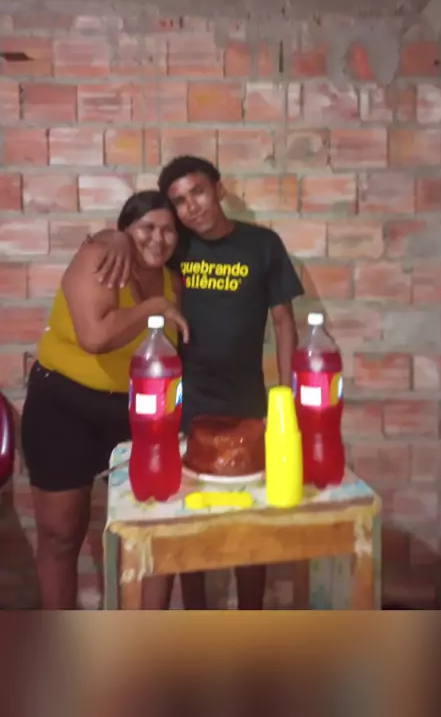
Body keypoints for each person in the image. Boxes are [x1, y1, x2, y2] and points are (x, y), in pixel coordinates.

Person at [93, 155, 305, 610]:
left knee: (251, 524)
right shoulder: (175, 245)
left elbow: (285, 322)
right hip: (186, 404)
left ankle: (251, 620)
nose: (191, 207)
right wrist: (115, 235)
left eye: (198, 192)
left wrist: (285, 399)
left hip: (247, 403)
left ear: (218, 190)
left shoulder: (263, 245)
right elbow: (133, 241)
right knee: (187, 524)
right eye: (179, 201)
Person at [20, 190, 189, 610]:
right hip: (64, 408)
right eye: (147, 227)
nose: (159, 238)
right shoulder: (100, 258)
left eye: (169, 230)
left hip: (135, 415)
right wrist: (153, 307)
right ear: (125, 230)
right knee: (62, 533)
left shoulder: (173, 282)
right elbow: (94, 337)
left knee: (153, 528)